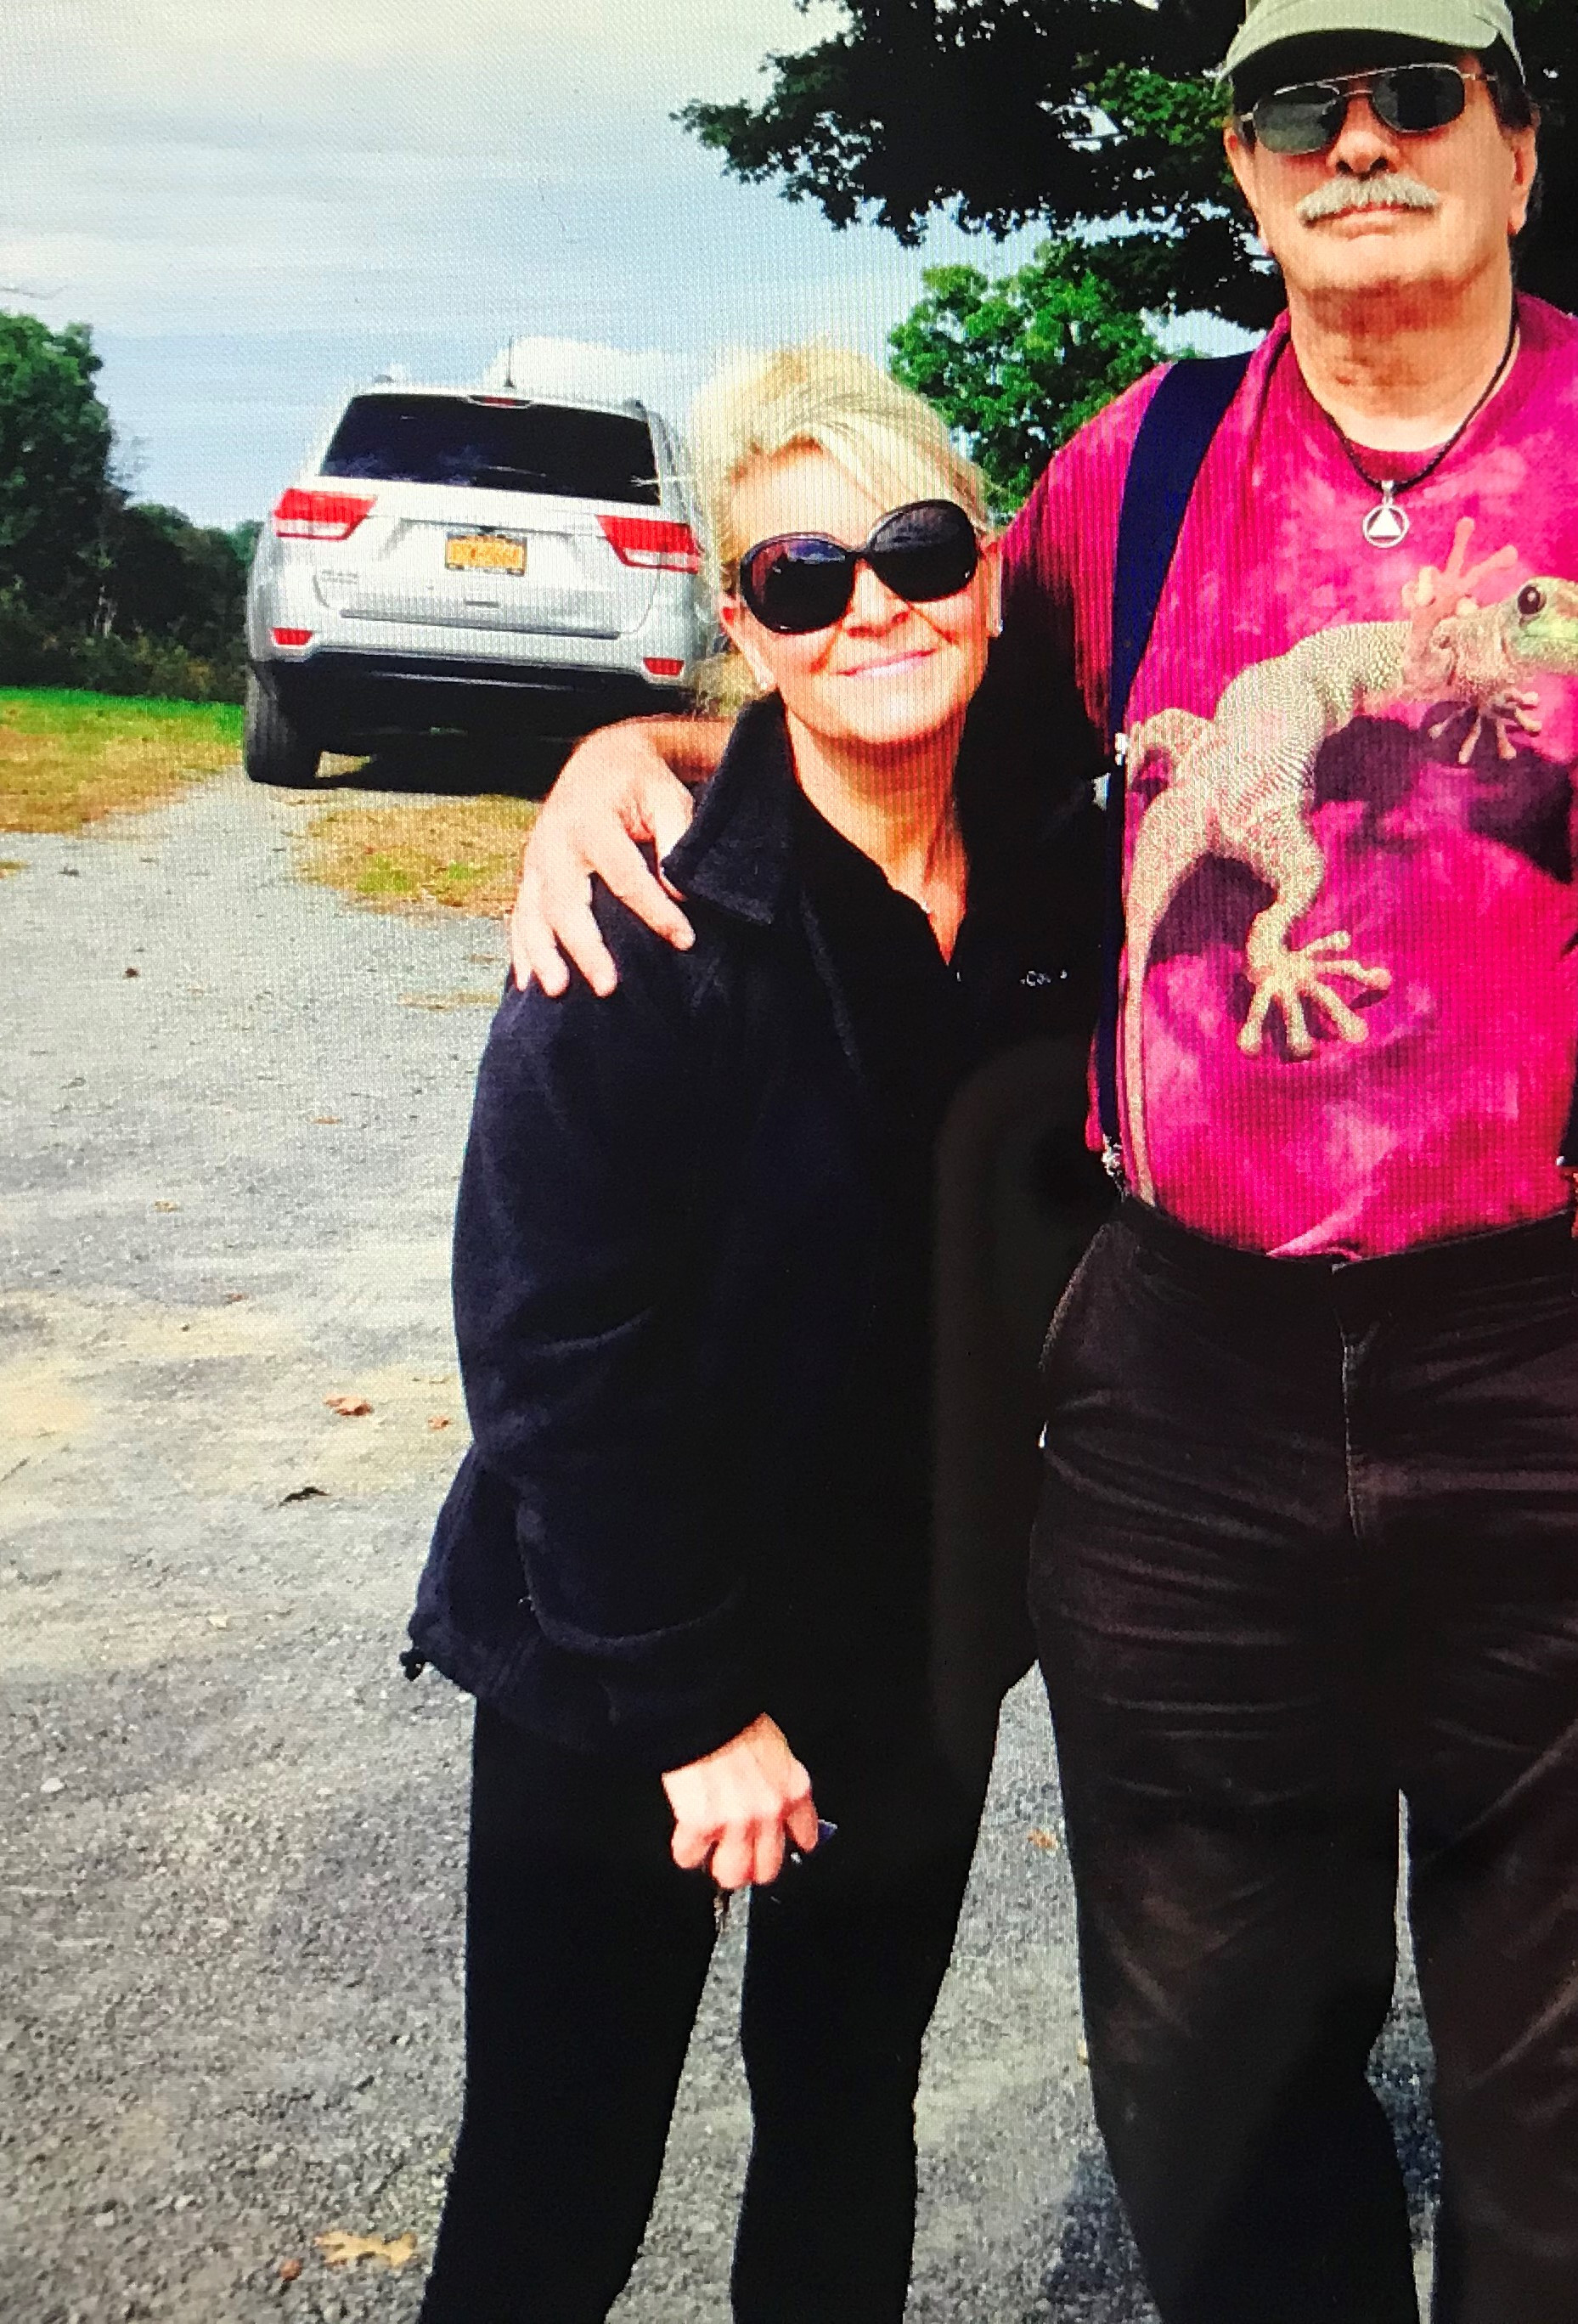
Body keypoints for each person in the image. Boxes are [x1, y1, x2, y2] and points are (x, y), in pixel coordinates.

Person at [504, 3, 1578, 2317]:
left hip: (1541, 1352)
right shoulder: (1142, 468)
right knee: (1215, 2063)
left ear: (1516, 140)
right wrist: (634, 749)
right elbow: (886, 653)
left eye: (1414, 96)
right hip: (1189, 1377)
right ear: (1242, 167)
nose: (1357, 144)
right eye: (1298, 108)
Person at [404, 345, 1105, 2324]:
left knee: (843, 2124)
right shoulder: (640, 916)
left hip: (908, 1650)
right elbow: (550, 1346)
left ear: (985, 574)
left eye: (914, 551)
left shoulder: (1066, 878)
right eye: (802, 576)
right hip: (618, 1657)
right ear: (743, 622)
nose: (870, 606)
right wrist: (690, 1712)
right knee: (552, 2178)